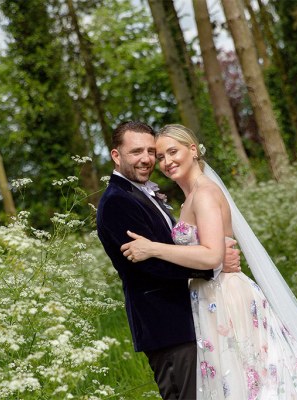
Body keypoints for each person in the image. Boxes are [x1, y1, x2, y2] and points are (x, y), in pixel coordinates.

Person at [120, 124, 297, 399]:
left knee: (253, 379)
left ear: (193, 150)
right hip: (207, 296)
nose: (166, 162)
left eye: (172, 152)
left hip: (225, 296)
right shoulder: (188, 199)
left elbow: (212, 255)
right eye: (161, 157)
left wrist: (153, 249)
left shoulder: (206, 193)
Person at [96, 121, 241, 400]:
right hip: (165, 324)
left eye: (152, 151)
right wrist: (215, 264)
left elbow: (166, 247)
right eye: (136, 151)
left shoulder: (141, 193)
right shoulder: (117, 201)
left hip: (189, 317)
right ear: (116, 156)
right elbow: (150, 265)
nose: (147, 159)